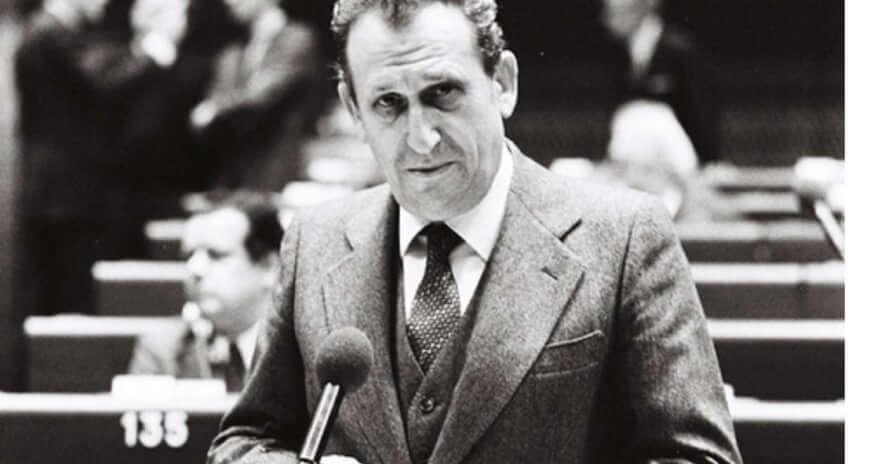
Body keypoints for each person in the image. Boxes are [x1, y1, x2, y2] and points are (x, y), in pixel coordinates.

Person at [208, 1, 741, 463]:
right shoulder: (314, 240)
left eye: (443, 93)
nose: (420, 139)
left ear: (502, 83)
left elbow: (698, 457)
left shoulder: (626, 236)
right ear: (353, 109)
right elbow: (246, 440)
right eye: (388, 103)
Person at [128, 191, 283, 392]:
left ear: (269, 267)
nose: (195, 268)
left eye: (216, 255)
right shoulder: (162, 349)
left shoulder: (301, 351)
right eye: (189, 255)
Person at [189, 0, 332, 191]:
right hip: (230, 180)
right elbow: (213, 101)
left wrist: (215, 108)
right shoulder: (233, 51)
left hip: (274, 177)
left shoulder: (297, 38)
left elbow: (261, 96)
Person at [601, 0, 720, 165]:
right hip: (637, 159)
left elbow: (702, 110)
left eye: (615, 14)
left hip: (681, 160)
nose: (606, 21)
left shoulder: (680, 50)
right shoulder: (619, 53)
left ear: (642, 10)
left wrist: (708, 161)